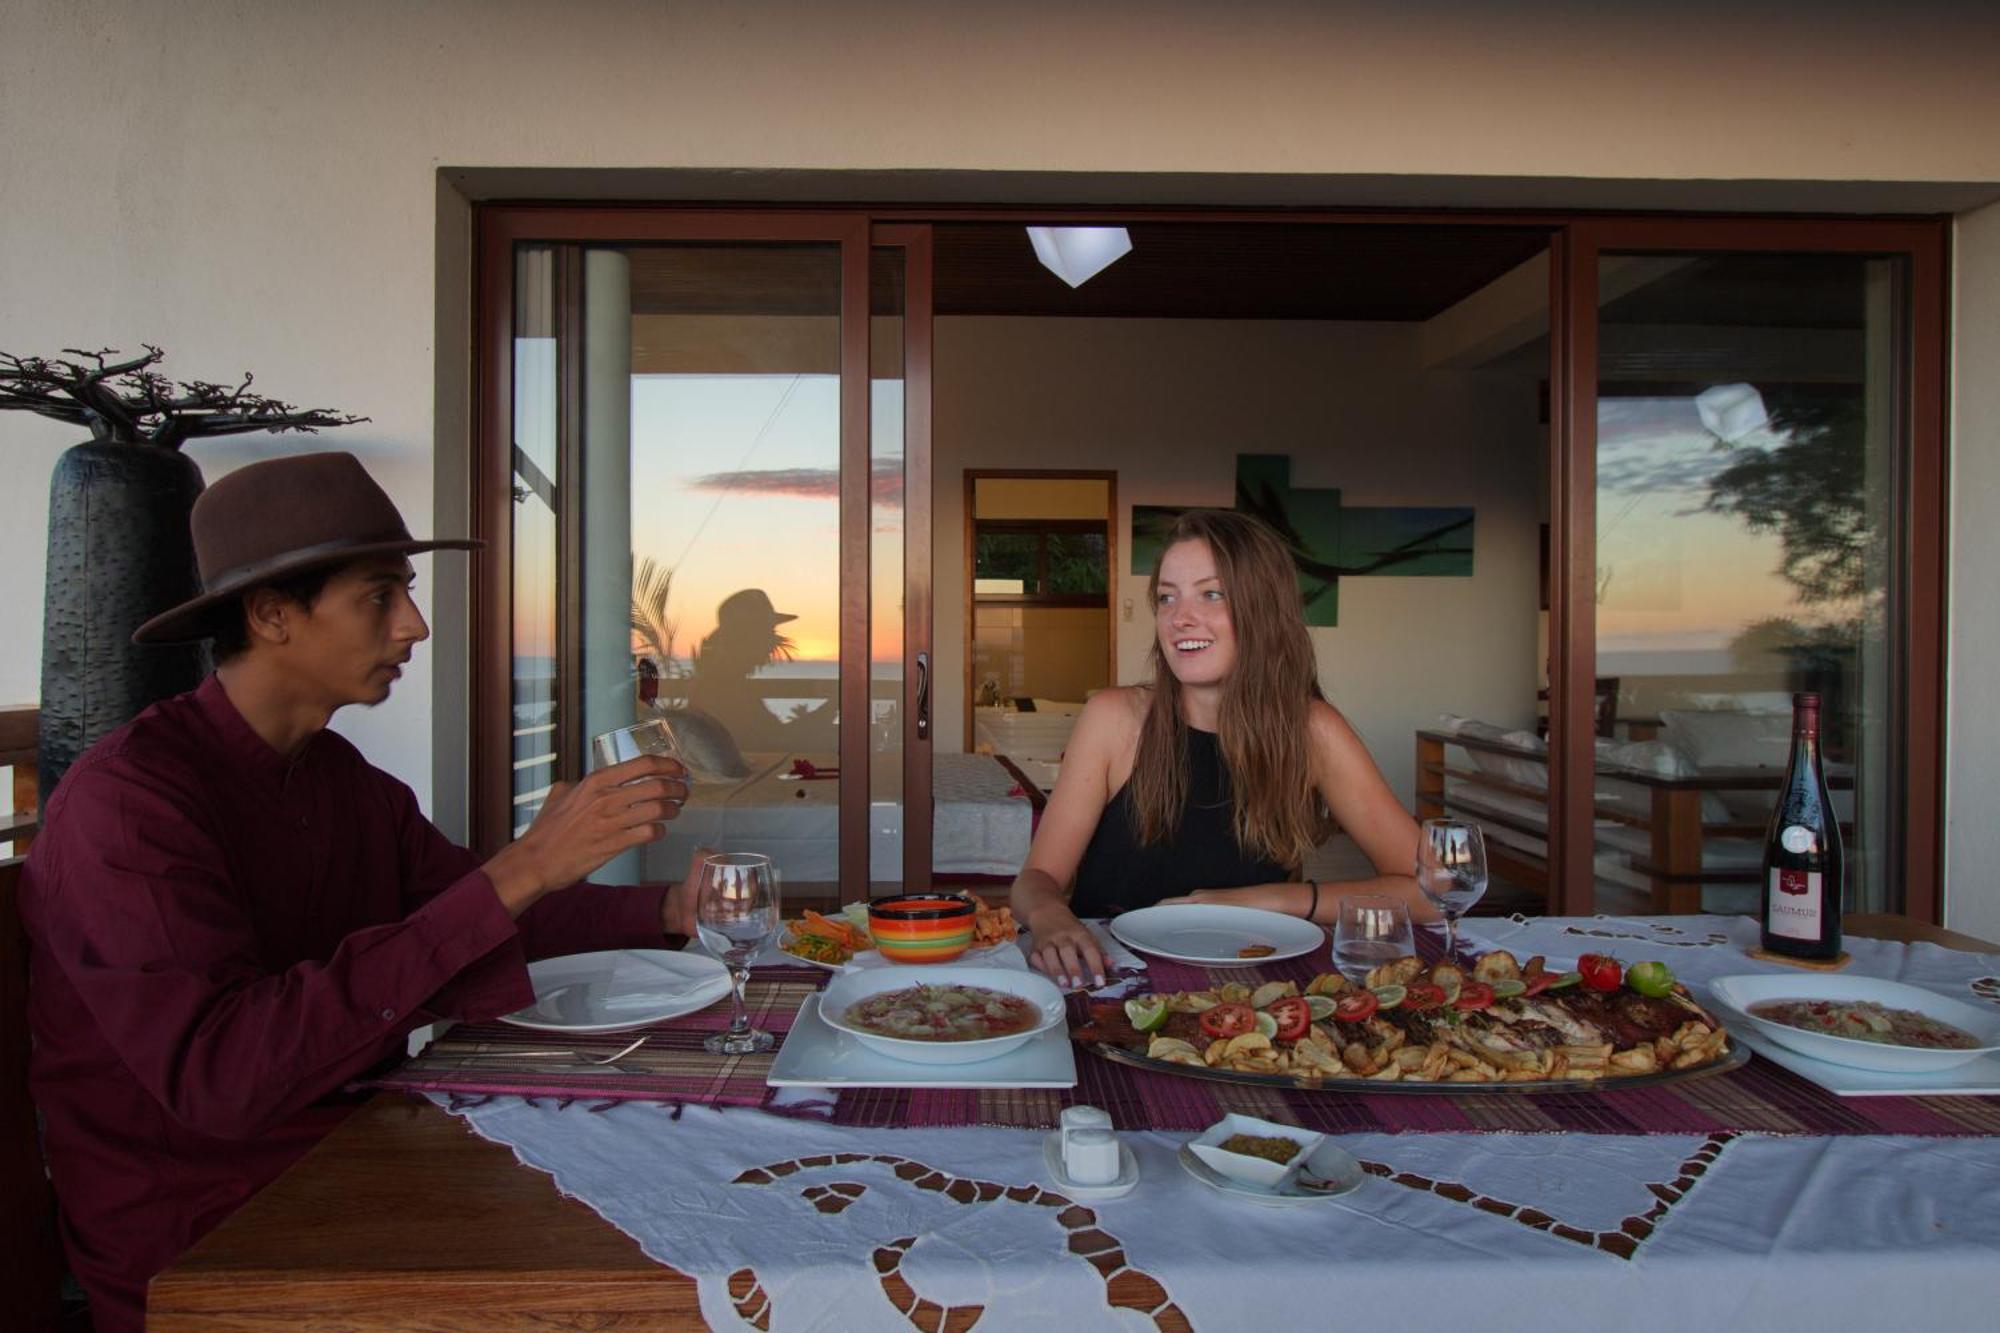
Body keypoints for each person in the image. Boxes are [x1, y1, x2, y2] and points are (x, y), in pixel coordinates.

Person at [20, 452, 703, 1332]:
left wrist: (665, 912)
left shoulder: (337, 777)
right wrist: (526, 862)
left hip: (363, 1151)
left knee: (661, 1179)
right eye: (380, 595)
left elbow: (473, 915)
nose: (414, 624)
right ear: (270, 615)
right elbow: (219, 1076)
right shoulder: (130, 804)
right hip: (212, 1233)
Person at [1010, 508, 1430, 989]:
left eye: (1212, 594)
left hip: (1248, 990)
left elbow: (1429, 892)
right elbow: (1037, 876)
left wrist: (1264, 899)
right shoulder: (1114, 717)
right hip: (1107, 983)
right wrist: (1050, 916)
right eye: (1167, 598)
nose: (1180, 618)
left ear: (1262, 609)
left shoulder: (1313, 730)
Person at [683, 587, 832, 752]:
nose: (772, 643)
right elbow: (774, 740)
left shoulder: (722, 681)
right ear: (746, 639)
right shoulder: (722, 688)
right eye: (768, 633)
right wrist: (832, 708)